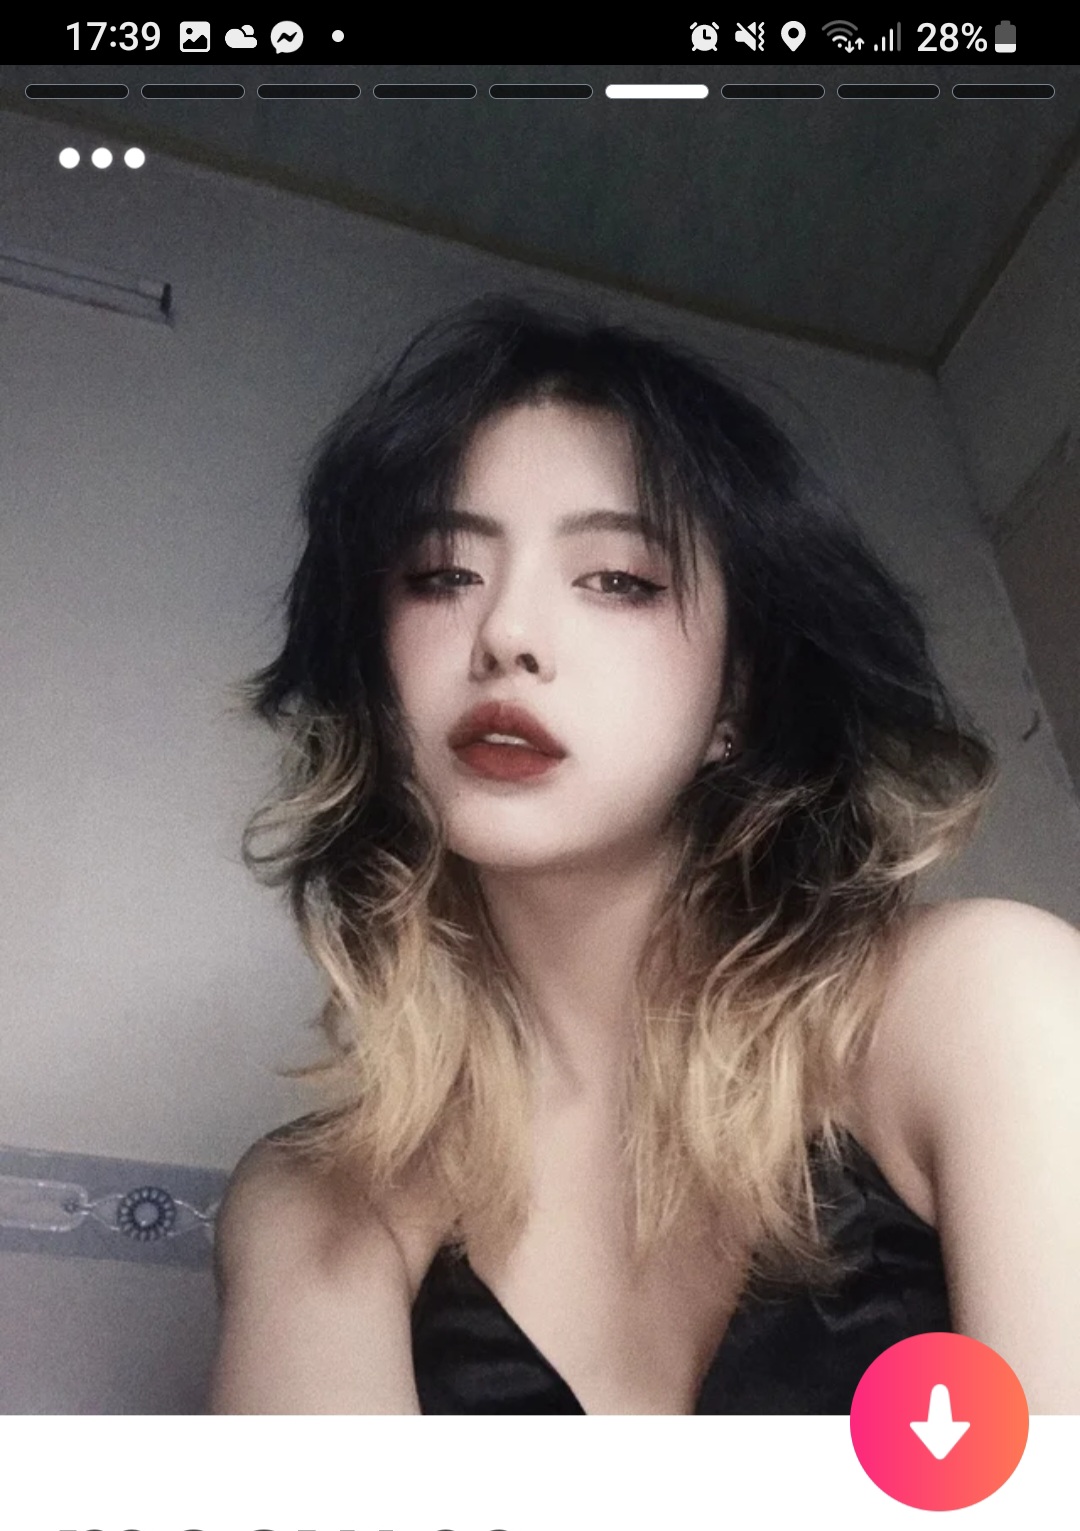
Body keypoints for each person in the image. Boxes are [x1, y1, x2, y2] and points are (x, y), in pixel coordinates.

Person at [210, 298, 1080, 1414]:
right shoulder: (315, 1202)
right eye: (441, 574)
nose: (506, 633)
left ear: (737, 698)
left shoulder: (984, 1002)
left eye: (618, 578)